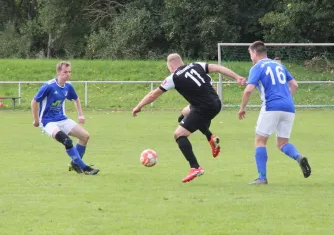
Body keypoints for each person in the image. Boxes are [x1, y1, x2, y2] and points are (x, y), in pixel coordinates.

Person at [132, 54, 246, 183]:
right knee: (185, 113)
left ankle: (195, 167)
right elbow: (218, 68)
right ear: (182, 62)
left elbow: (153, 94)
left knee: (179, 134)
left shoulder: (173, 77)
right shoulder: (196, 65)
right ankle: (210, 137)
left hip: (203, 108)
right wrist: (237, 77)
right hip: (216, 103)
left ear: (170, 66)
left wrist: (139, 106)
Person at [238, 41, 311, 185]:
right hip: (289, 107)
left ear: (254, 53)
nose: (250, 57)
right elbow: (295, 85)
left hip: (271, 106)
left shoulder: (257, 67)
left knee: (260, 141)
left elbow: (248, 90)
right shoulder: (279, 65)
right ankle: (298, 157)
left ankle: (262, 177)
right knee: (282, 143)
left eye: (250, 54)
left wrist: (242, 108)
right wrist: (286, 99)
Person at [31, 61, 99, 175]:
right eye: (65, 72)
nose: (67, 74)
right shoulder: (48, 86)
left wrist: (80, 114)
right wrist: (37, 120)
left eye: (69, 72)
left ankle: (75, 163)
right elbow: (34, 102)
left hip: (62, 119)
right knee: (67, 141)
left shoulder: (68, 86)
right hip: (48, 122)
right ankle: (84, 167)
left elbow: (76, 99)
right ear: (58, 72)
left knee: (85, 136)